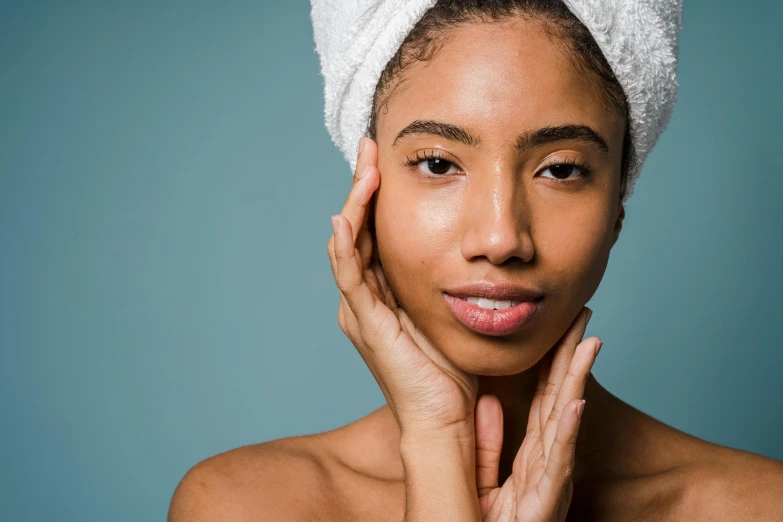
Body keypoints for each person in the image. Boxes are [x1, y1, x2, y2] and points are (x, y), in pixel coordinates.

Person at [168, 1, 783, 520]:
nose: (500, 237)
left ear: (619, 201)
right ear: (367, 189)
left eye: (561, 169)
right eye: (438, 163)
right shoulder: (244, 504)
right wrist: (437, 448)